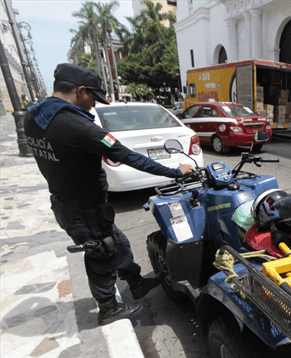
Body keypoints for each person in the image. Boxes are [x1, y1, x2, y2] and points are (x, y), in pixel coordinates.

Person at [24, 63, 193, 326]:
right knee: (101, 254)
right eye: (92, 97)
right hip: (85, 208)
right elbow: (126, 155)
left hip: (65, 202)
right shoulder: (78, 126)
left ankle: (136, 283)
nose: (93, 105)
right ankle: (108, 308)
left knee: (119, 243)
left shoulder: (34, 117)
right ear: (80, 91)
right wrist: (175, 172)